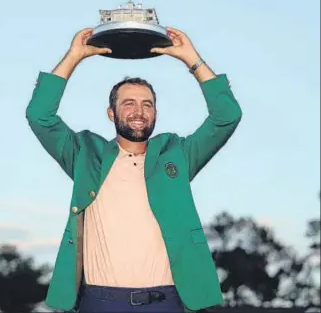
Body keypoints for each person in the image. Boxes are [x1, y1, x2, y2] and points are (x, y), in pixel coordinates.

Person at [26, 27, 242, 313]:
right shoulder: (85, 154)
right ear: (111, 113)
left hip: (165, 302)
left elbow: (227, 116)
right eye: (128, 104)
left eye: (147, 104)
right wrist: (74, 56)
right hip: (99, 303)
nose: (138, 112)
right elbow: (39, 116)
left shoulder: (177, 154)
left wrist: (192, 59)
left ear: (155, 113)